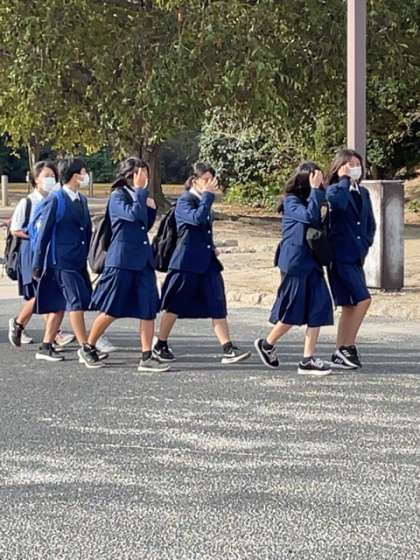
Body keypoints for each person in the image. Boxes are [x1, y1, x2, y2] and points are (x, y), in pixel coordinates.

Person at [154, 162, 251, 365]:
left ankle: (228, 348)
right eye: (205, 180)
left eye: (212, 180)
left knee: (217, 303)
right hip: (185, 263)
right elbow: (197, 220)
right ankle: (160, 343)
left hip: (207, 262)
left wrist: (211, 246)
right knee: (174, 304)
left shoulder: (204, 201)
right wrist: (208, 196)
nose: (210, 184)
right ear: (194, 181)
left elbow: (203, 229)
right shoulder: (185, 201)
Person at [88, 157, 169, 372]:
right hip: (121, 261)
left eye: (146, 172)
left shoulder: (140, 195)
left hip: (143, 260)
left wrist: (150, 208)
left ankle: (146, 356)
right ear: (129, 175)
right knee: (112, 308)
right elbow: (132, 216)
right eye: (139, 172)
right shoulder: (118, 196)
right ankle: (88, 346)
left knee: (148, 308)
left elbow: (144, 224)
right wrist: (141, 194)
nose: (144, 176)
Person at [254, 161, 333, 376]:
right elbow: (309, 217)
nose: (320, 181)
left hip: (313, 260)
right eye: (316, 177)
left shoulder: (317, 196)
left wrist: (319, 193)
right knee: (293, 309)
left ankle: (308, 359)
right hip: (296, 261)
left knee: (319, 306)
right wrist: (315, 191)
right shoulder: (291, 201)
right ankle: (267, 344)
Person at [32, 157, 100, 366]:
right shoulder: (56, 199)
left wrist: (90, 257)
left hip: (77, 260)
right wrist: (37, 263)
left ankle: (46, 346)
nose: (86, 175)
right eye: (83, 172)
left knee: (60, 305)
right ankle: (85, 347)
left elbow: (86, 231)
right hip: (60, 261)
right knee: (75, 301)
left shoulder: (82, 199)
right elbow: (43, 234)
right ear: (75, 175)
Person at [8, 161, 74, 349]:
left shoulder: (56, 198)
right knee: (40, 293)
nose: (50, 179)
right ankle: (21, 324)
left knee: (48, 292)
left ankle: (48, 333)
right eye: (46, 176)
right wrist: (36, 235)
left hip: (50, 252)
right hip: (31, 251)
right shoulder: (28, 202)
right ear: (36, 179)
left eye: (52, 176)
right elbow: (15, 229)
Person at [325, 149, 376, 369]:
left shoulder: (363, 192)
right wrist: (344, 180)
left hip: (356, 255)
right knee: (363, 299)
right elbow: (338, 204)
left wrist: (366, 242)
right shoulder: (334, 190)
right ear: (338, 168)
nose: (355, 168)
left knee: (349, 305)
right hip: (340, 256)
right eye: (350, 164)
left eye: (357, 164)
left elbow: (370, 223)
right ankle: (348, 346)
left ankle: (340, 350)